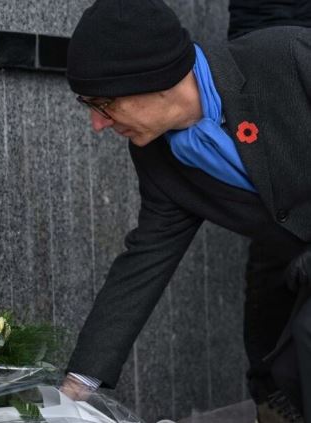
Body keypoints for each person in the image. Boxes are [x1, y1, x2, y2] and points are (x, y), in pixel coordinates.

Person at [58, 1, 311, 422]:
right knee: (285, 368)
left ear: (152, 80)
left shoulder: (286, 56)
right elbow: (146, 259)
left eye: (103, 103)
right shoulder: (158, 156)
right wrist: (76, 389)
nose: (97, 124)